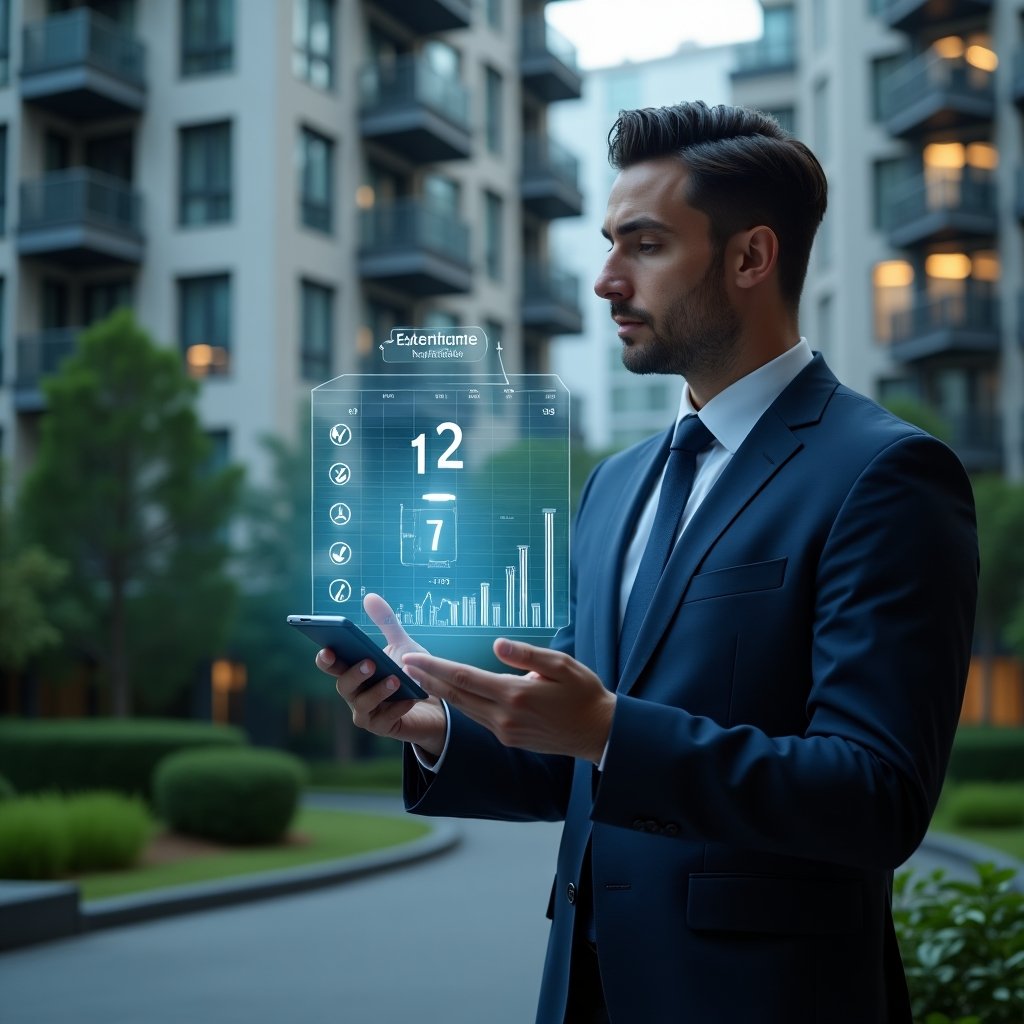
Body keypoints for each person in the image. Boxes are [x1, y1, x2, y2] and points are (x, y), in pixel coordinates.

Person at [317, 101, 979, 1023]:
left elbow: (876, 797)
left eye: (645, 246)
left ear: (752, 258)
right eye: (608, 244)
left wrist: (608, 731)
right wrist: (432, 724)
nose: (604, 281)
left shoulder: (885, 474)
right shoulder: (615, 486)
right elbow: (573, 759)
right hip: (584, 991)